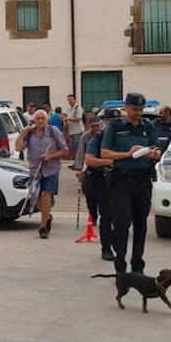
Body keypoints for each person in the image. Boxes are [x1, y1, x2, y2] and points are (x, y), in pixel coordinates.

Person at [97, 93, 162, 274]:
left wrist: (154, 154)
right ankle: (120, 264)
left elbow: (157, 149)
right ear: (126, 108)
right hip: (121, 180)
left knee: (141, 223)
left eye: (141, 109)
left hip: (142, 180)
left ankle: (137, 264)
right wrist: (129, 153)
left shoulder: (147, 127)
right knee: (122, 223)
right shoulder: (116, 127)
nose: (138, 113)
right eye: (134, 109)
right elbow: (105, 153)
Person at [16, 108, 70, 238]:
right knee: (36, 199)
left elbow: (65, 150)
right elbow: (18, 148)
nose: (40, 121)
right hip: (35, 170)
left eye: (42, 118)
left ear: (47, 120)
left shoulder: (53, 132)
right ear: (33, 120)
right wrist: (22, 133)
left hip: (51, 170)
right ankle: (48, 216)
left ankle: (43, 226)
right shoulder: (29, 134)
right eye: (37, 118)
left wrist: (50, 156)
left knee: (46, 195)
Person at [76, 110, 116, 261]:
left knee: (118, 214)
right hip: (96, 175)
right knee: (99, 206)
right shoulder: (92, 137)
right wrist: (78, 169)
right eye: (109, 122)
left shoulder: (119, 137)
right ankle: (106, 246)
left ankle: (114, 238)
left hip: (119, 178)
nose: (110, 125)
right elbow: (82, 155)